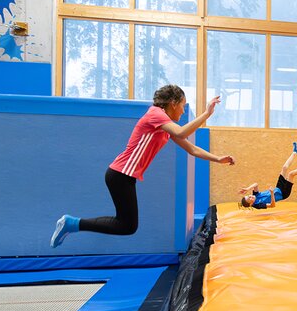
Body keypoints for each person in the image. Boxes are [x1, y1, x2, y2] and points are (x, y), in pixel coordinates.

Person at [50, 84, 235, 248]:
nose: (182, 112)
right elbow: (182, 131)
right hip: (120, 174)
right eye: (182, 106)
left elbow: (192, 149)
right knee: (126, 225)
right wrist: (207, 113)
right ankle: (71, 223)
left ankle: (72, 224)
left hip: (124, 176)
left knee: (127, 226)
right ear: (173, 103)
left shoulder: (164, 125)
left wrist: (218, 159)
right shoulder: (156, 114)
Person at [239, 143, 297, 209]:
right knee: (291, 174)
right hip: (284, 193)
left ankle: (295, 152)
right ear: (251, 204)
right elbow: (272, 205)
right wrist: (271, 193)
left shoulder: (255, 195)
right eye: (250, 199)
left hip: (278, 188)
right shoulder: (258, 205)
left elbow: (256, 184)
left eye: (249, 196)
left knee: (284, 168)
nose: (251, 196)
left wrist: (248, 188)